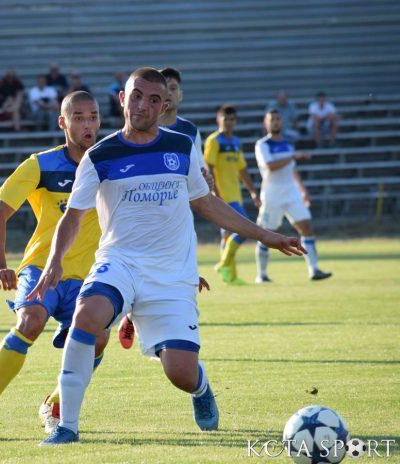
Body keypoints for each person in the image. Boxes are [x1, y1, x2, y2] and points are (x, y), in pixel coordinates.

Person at [29, 67, 304, 445]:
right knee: (86, 316)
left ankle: (200, 388)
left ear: (164, 106)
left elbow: (206, 203)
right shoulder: (99, 156)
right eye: (136, 95)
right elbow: (73, 217)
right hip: (120, 262)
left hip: (171, 272)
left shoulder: (181, 147)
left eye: (154, 99)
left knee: (180, 373)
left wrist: (265, 235)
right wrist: (55, 261)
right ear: (122, 99)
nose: (143, 104)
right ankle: (67, 426)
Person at [0, 92, 109, 441]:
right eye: (78, 117)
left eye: (92, 116)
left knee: (99, 338)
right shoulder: (41, 165)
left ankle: (54, 405)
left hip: (88, 274)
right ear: (63, 122)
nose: (87, 124)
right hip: (42, 268)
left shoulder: (110, 164)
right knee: (30, 321)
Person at [117, 66, 215, 349]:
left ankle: (167, 321)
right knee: (142, 264)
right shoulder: (142, 126)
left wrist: (205, 178)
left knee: (174, 265)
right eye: (166, 88)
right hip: (144, 211)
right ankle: (134, 312)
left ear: (179, 95)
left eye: (173, 89)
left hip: (176, 207)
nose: (169, 94)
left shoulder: (188, 131)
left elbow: (197, 168)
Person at [255, 109, 333, 282]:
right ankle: (262, 275)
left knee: (307, 228)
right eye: (272, 119)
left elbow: (292, 169)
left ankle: (314, 270)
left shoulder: (288, 144)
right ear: (266, 123)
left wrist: (302, 190)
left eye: (278, 119)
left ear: (282, 122)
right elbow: (270, 166)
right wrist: (293, 156)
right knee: (266, 234)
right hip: (272, 195)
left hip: (292, 193)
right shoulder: (262, 145)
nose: (275, 122)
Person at [204, 105, 261, 285]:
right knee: (244, 229)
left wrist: (253, 192)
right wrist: (215, 194)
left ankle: (230, 276)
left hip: (235, 195)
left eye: (232, 120)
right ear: (218, 120)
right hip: (223, 196)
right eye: (225, 119)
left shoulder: (236, 142)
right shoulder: (214, 141)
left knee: (228, 236)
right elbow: (208, 168)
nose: (228, 123)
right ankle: (223, 264)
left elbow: (242, 169)